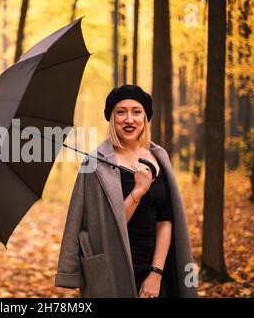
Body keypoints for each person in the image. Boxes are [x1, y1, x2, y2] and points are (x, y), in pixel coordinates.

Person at [55, 84, 197, 298]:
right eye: (121, 112)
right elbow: (102, 229)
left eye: (136, 112)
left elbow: (166, 220)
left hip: (158, 269)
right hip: (113, 270)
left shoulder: (159, 157)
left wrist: (155, 274)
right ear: (112, 118)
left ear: (145, 118)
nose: (129, 119)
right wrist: (137, 192)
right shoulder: (95, 163)